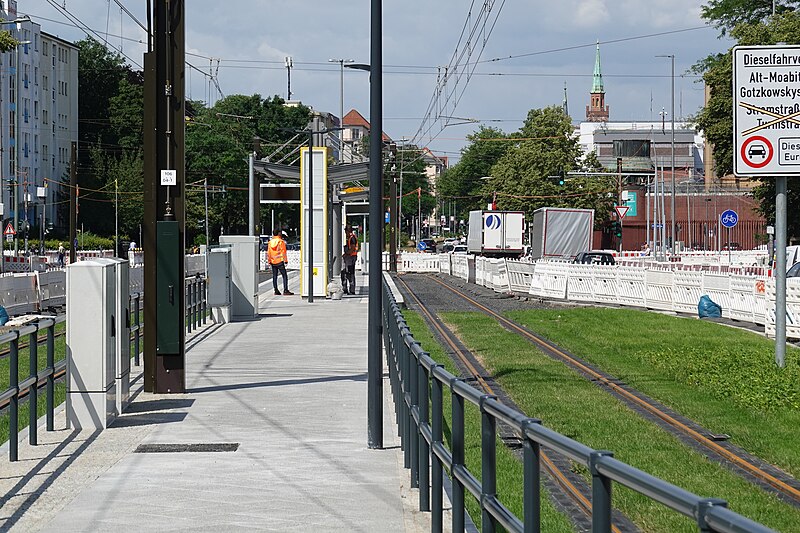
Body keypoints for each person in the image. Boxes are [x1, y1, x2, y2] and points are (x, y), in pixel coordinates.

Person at [267, 228, 293, 296]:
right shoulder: (281, 241)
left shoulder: (270, 242)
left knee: (274, 276)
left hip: (273, 261)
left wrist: (269, 260)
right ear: (278, 233)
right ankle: (285, 290)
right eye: (280, 232)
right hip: (280, 261)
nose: (281, 234)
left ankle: (276, 290)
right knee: (284, 275)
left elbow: (269, 252)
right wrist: (285, 260)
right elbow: (283, 252)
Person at [342, 225, 359, 295]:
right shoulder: (351, 238)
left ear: (348, 231)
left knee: (350, 273)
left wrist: (346, 254)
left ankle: (352, 289)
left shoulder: (352, 238)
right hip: (351, 257)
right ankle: (349, 288)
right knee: (347, 273)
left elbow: (352, 248)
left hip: (351, 257)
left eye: (346, 231)